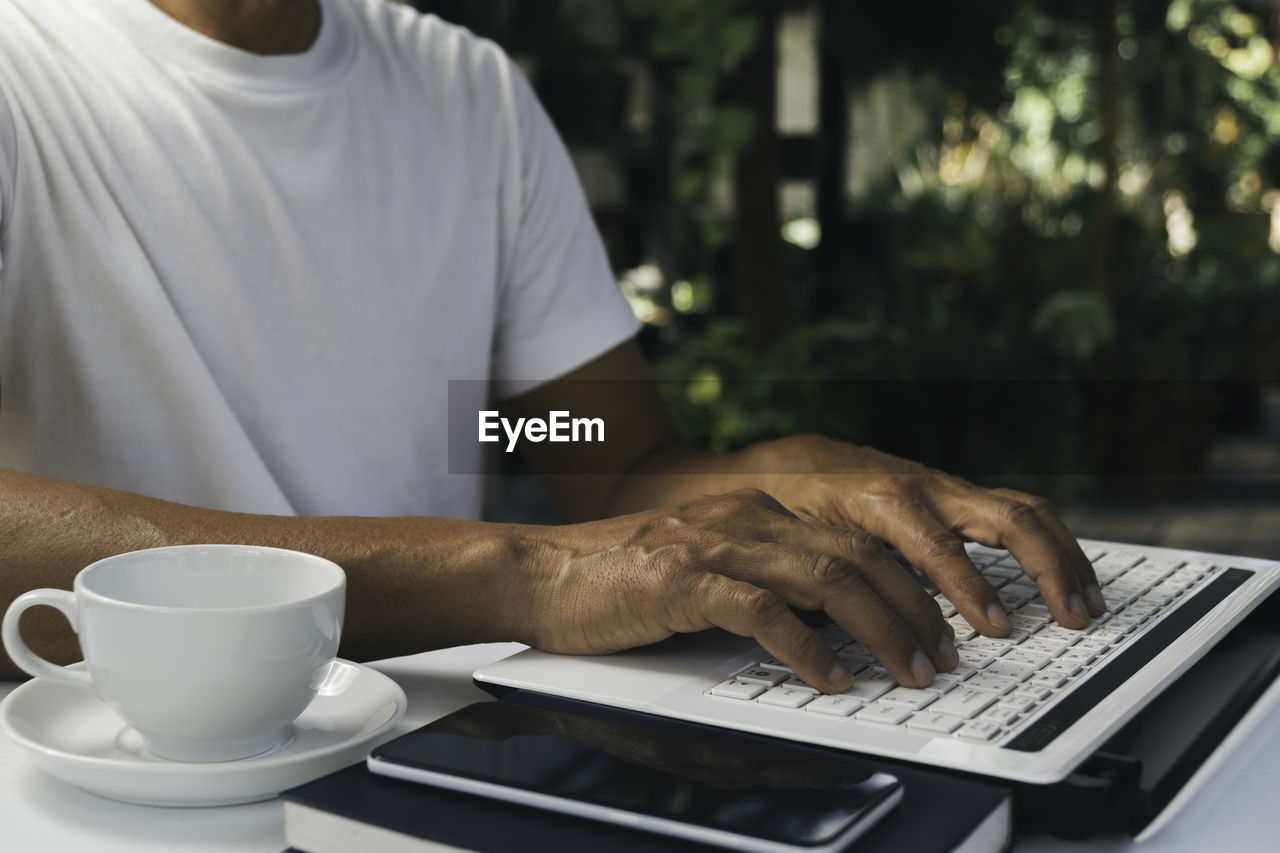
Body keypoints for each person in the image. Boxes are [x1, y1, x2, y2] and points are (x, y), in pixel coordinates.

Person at [0, 0, 1105, 691]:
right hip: (117, 784)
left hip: (430, 760)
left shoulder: (465, 91)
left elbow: (581, 450)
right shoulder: (22, 66)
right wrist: (519, 571)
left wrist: (767, 474)